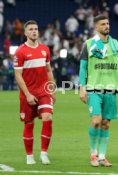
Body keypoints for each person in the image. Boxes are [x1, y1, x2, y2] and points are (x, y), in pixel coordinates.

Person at [79, 15, 118, 167]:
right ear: (96, 27)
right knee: (96, 120)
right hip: (94, 88)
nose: (106, 26)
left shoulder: (116, 44)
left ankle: (102, 157)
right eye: (103, 24)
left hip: (111, 89)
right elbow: (83, 67)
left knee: (106, 123)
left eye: (107, 23)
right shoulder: (89, 44)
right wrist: (82, 88)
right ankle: (93, 154)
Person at [13, 20, 56, 165]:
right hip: (28, 93)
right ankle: (29, 156)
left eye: (36, 29)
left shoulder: (45, 49)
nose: (34, 31)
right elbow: (18, 75)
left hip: (43, 91)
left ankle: (44, 153)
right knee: (29, 124)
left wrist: (52, 89)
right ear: (25, 33)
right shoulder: (20, 51)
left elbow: (48, 71)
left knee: (47, 117)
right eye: (30, 29)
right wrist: (27, 94)